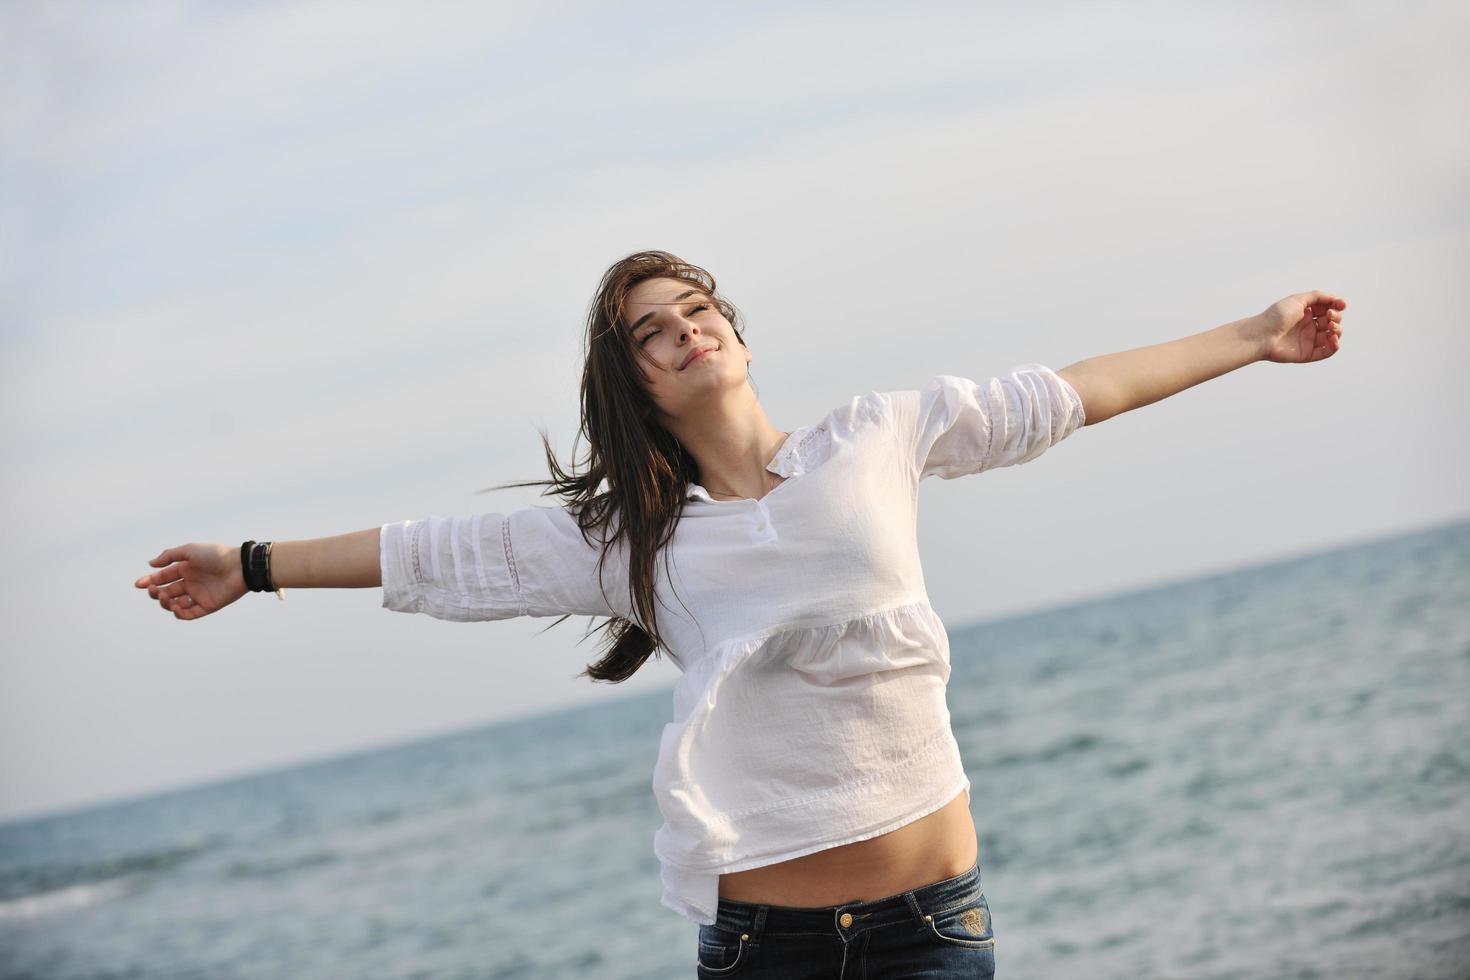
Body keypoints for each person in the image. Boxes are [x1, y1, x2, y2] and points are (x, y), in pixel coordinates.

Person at [133, 250, 1346, 977]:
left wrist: (1253, 335)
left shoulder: (878, 432)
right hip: (765, 945)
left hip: (933, 923)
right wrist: (252, 561)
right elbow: (436, 554)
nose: (685, 329)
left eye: (698, 307)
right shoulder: (624, 539)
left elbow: (1069, 394)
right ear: (638, 385)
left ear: (741, 335)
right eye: (651, 333)